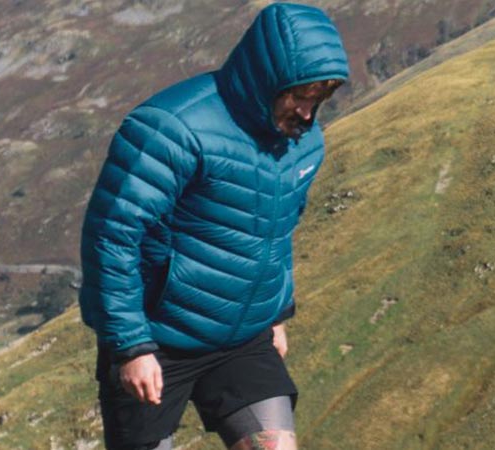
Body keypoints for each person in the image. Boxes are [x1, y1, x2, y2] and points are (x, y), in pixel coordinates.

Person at [78, 3, 348, 449]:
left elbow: (275, 234)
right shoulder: (171, 128)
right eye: (299, 96)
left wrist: (276, 313)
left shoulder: (304, 143)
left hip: (243, 340)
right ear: (267, 78)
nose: (307, 113)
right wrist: (131, 347)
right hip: (159, 338)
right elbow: (112, 236)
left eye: (319, 99)